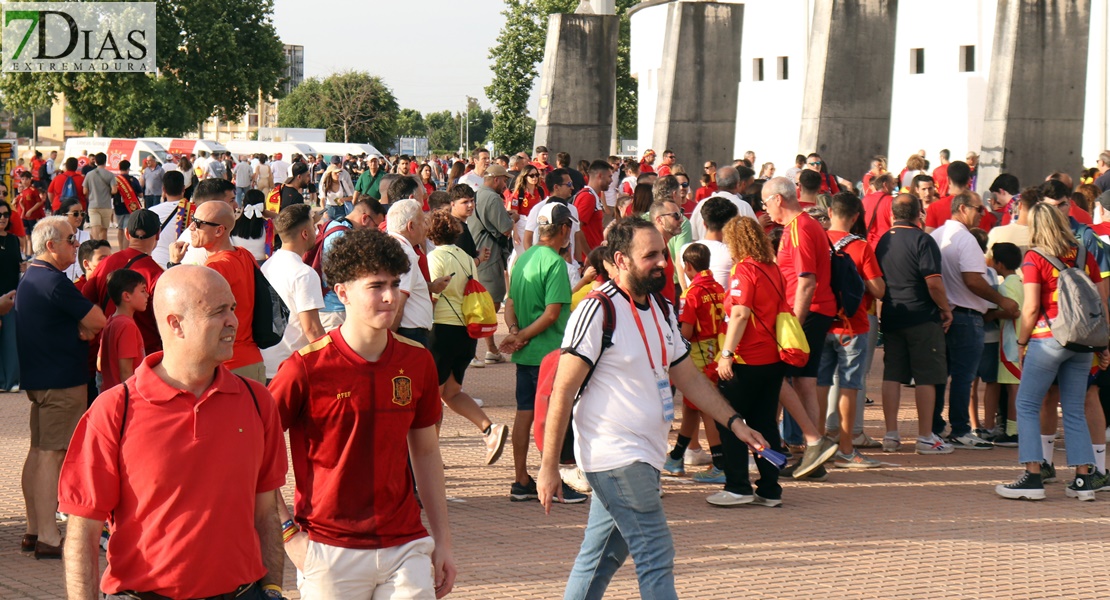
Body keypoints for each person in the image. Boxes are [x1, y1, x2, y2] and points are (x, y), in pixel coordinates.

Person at [536, 218, 769, 599]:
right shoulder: (596, 311)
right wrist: (548, 468)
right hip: (614, 455)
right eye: (651, 255)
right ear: (621, 260)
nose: (663, 262)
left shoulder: (660, 307)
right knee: (656, 554)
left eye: (663, 253)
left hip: (644, 454)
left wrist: (735, 422)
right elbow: (561, 390)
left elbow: (688, 377)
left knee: (601, 557)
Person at [59, 265, 287, 599]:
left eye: (233, 309)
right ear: (175, 323)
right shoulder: (115, 410)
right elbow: (83, 529)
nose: (233, 322)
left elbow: (266, 511)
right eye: (218, 311)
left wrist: (272, 589)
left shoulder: (257, 401)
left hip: (243, 592)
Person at [269, 227, 457, 599]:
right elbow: (252, 451)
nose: (390, 297)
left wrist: (443, 542)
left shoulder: (417, 361)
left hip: (407, 544)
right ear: (342, 292)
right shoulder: (305, 368)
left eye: (394, 284)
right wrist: (289, 535)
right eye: (376, 286)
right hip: (328, 550)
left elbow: (425, 452)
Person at [996, 203, 1105, 501]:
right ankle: (1084, 479)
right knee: (1073, 408)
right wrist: (1103, 344)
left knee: (1028, 404)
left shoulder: (1035, 258)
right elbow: (1101, 299)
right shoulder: (1084, 254)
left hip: (1049, 339)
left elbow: (1030, 307)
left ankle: (1033, 475)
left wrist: (1021, 342)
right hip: (1083, 341)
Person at [17, 216, 107, 559]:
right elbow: (97, 320)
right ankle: (48, 535)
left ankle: (34, 528)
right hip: (61, 381)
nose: (76, 244)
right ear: (51, 245)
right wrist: (83, 328)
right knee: (52, 455)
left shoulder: (32, 276)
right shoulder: (54, 281)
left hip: (42, 379)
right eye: (71, 240)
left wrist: (80, 327)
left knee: (40, 451)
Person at [500, 203, 586, 503]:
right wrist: (520, 336)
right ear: (563, 229)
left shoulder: (523, 260)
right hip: (549, 353)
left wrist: (514, 333)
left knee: (525, 413)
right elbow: (552, 314)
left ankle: (521, 478)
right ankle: (557, 480)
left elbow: (509, 303)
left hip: (526, 354)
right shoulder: (555, 263)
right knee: (555, 417)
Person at [762, 177, 840, 477]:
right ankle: (812, 452)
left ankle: (811, 441)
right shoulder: (803, 226)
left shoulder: (800, 229)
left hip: (807, 313)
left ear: (778, 199)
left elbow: (807, 281)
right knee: (804, 382)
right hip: (813, 312)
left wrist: (794, 320)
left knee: (780, 376)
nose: (766, 209)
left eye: (766, 202)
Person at [930, 192, 1020, 449]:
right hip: (966, 316)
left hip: (945, 313)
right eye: (978, 208)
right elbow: (973, 280)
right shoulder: (966, 239)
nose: (983, 212)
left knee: (942, 374)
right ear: (962, 208)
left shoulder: (937, 235)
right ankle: (959, 428)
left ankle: (937, 427)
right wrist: (1001, 301)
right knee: (963, 377)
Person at [426, 210, 509, 464]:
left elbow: (432, 297)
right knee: (452, 392)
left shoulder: (434, 258)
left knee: (432, 397)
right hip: (466, 332)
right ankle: (489, 429)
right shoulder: (467, 258)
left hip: (441, 330)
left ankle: (430, 457)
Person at [876, 194, 954, 454]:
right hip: (921, 315)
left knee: (892, 374)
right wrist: (945, 309)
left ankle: (891, 435)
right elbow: (933, 282)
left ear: (892, 214)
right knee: (926, 376)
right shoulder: (923, 240)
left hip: (891, 313)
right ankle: (925, 437)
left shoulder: (884, 240)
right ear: (918, 213)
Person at [817, 193, 885, 468]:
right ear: (856, 216)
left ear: (830, 211)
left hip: (822, 322)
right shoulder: (860, 247)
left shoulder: (817, 240)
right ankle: (846, 449)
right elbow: (879, 289)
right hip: (852, 325)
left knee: (819, 385)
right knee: (849, 386)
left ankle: (818, 443)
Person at [663, 243, 727, 483]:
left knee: (706, 408)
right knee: (691, 406)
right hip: (716, 352)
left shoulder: (691, 293)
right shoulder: (719, 287)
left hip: (698, 356)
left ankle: (720, 463)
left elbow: (687, 331)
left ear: (687, 266)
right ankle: (677, 457)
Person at [189, 202, 265, 381]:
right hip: (252, 359)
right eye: (192, 220)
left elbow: (196, 317)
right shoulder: (244, 255)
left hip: (227, 366)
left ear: (218, 231)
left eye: (198, 223)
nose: (191, 227)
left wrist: (174, 265)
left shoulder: (215, 268)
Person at [81, 209, 164, 354]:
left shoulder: (105, 263)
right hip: (143, 355)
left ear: (126, 233)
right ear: (158, 234)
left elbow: (84, 301)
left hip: (108, 350)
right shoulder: (156, 274)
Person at [260, 204, 327, 380]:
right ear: (305, 233)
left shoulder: (268, 265)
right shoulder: (304, 273)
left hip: (267, 361)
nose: (316, 230)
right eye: (313, 227)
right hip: (293, 366)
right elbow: (311, 328)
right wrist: (330, 358)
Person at [467, 164, 514, 363]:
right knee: (490, 304)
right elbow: (504, 228)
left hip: (479, 252)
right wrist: (514, 218)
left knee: (484, 304)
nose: (505, 184)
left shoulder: (478, 194)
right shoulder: (492, 197)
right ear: (496, 179)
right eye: (504, 180)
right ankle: (473, 350)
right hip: (489, 254)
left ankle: (491, 349)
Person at [317, 199, 386, 330]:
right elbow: (335, 276)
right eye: (376, 226)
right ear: (365, 219)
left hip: (330, 305)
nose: (377, 231)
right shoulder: (343, 236)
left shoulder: (332, 224)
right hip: (335, 310)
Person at [385, 199, 444, 348]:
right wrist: (387, 343)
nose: (426, 228)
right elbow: (398, 302)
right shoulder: (405, 253)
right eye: (423, 222)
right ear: (411, 226)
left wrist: (431, 286)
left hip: (405, 331)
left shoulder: (390, 245)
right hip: (409, 333)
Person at [97, 269, 149, 390]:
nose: (147, 295)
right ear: (126, 296)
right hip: (125, 396)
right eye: (143, 291)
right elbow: (126, 371)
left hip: (111, 394)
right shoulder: (127, 326)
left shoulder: (110, 322)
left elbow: (99, 364)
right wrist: (131, 398)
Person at [688, 166, 756, 240]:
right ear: (737, 184)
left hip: (703, 249)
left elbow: (692, 236)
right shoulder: (743, 206)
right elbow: (754, 236)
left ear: (717, 183)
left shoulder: (701, 205)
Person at [0, 201, 22, 392]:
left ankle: (12, 381)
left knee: (10, 338)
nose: (2, 218)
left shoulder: (13, 240)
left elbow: (17, 265)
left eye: (6, 215)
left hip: (11, 295)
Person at [573, 160, 614, 256]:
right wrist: (589, 256)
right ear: (600, 176)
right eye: (609, 176)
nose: (611, 180)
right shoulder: (588, 197)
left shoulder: (593, 195)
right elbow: (577, 228)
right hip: (588, 260)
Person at [57, 198, 92, 282]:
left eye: (82, 213)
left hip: (82, 283)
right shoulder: (56, 237)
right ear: (64, 215)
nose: (80, 217)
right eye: (75, 214)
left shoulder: (87, 236)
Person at [231, 189, 271, 262]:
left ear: (244, 203)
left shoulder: (233, 225)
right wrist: (268, 213)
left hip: (240, 264)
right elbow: (286, 221)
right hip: (262, 266)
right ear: (263, 205)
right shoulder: (268, 226)